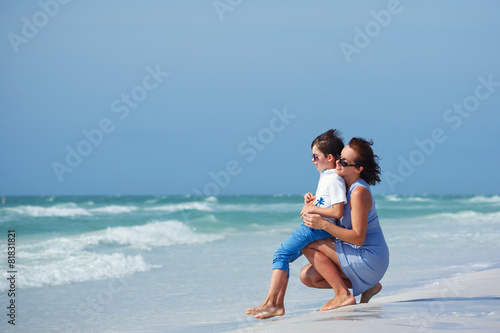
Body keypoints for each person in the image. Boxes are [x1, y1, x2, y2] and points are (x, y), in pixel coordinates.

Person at [246, 129, 347, 319]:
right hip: (314, 226)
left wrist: (313, 210)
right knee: (285, 257)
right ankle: (276, 304)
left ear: (330, 157)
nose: (312, 160)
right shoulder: (327, 175)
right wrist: (313, 200)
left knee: (281, 255)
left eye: (315, 156)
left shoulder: (334, 179)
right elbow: (327, 201)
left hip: (314, 228)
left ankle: (273, 304)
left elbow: (337, 212)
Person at [300, 137, 389, 311]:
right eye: (339, 157)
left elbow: (357, 238)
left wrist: (323, 225)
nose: (338, 163)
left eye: (344, 161)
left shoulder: (358, 192)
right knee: (307, 276)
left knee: (309, 243)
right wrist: (314, 201)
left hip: (369, 257)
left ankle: (342, 295)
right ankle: (369, 286)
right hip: (358, 254)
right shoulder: (343, 188)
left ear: (358, 169)